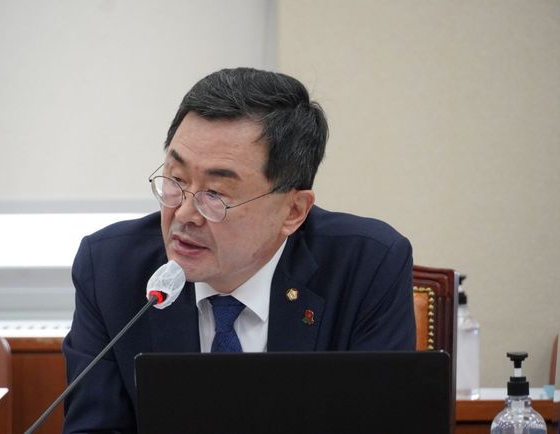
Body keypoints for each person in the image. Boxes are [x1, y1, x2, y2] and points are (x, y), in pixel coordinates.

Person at [62, 67, 415, 433]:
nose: (183, 215)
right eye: (176, 179)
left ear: (293, 211)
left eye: (215, 194)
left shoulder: (367, 265)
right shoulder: (110, 269)